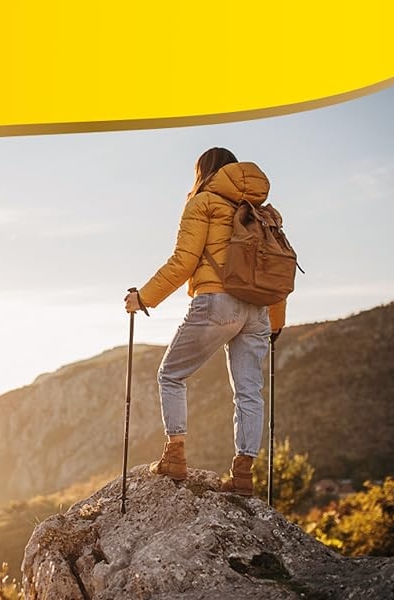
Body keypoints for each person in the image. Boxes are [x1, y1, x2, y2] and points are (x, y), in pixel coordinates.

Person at [124, 147, 285, 497]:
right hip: (257, 309)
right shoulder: (262, 213)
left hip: (217, 301)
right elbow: (275, 270)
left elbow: (183, 262)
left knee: (171, 375)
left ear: (204, 172)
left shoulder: (203, 204)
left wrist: (143, 298)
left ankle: (175, 456)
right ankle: (243, 473)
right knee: (248, 392)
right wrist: (276, 322)